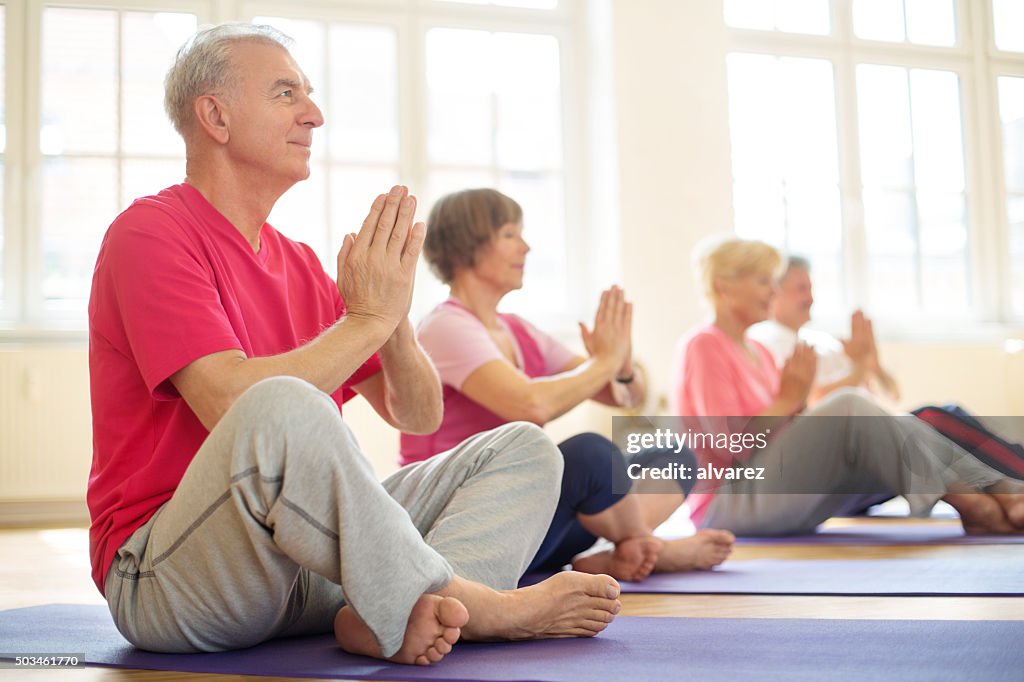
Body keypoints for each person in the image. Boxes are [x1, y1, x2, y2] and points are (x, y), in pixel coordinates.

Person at [86, 24, 622, 667]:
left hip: (305, 574)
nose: (314, 114)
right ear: (216, 116)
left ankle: (413, 610)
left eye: (307, 95)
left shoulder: (304, 265)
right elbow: (229, 403)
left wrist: (391, 317)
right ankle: (474, 604)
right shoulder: (151, 232)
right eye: (287, 93)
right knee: (279, 404)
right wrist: (366, 317)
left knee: (523, 448)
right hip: (173, 579)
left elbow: (419, 414)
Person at [400, 188, 734, 581]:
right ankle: (647, 548)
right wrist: (605, 362)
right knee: (592, 456)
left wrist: (621, 366)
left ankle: (626, 547)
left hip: (530, 524)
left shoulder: (517, 329)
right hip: (464, 524)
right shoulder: (446, 326)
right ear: (463, 246)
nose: (525, 247)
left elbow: (622, 394)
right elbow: (530, 405)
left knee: (672, 455)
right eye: (510, 234)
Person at [669, 236, 1024, 536]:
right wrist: (788, 399)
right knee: (848, 405)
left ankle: (1000, 490)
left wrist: (796, 403)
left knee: (900, 424)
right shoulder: (703, 345)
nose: (773, 291)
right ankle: (973, 501)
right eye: (763, 281)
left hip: (776, 487)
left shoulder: (758, 350)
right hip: (728, 503)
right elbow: (727, 445)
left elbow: (790, 432)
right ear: (724, 287)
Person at [748, 256, 900, 405]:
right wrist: (858, 372)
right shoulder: (765, 342)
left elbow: (893, 395)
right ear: (775, 293)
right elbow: (806, 401)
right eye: (801, 289)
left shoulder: (824, 341)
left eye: (810, 289)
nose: (810, 298)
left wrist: (874, 364)